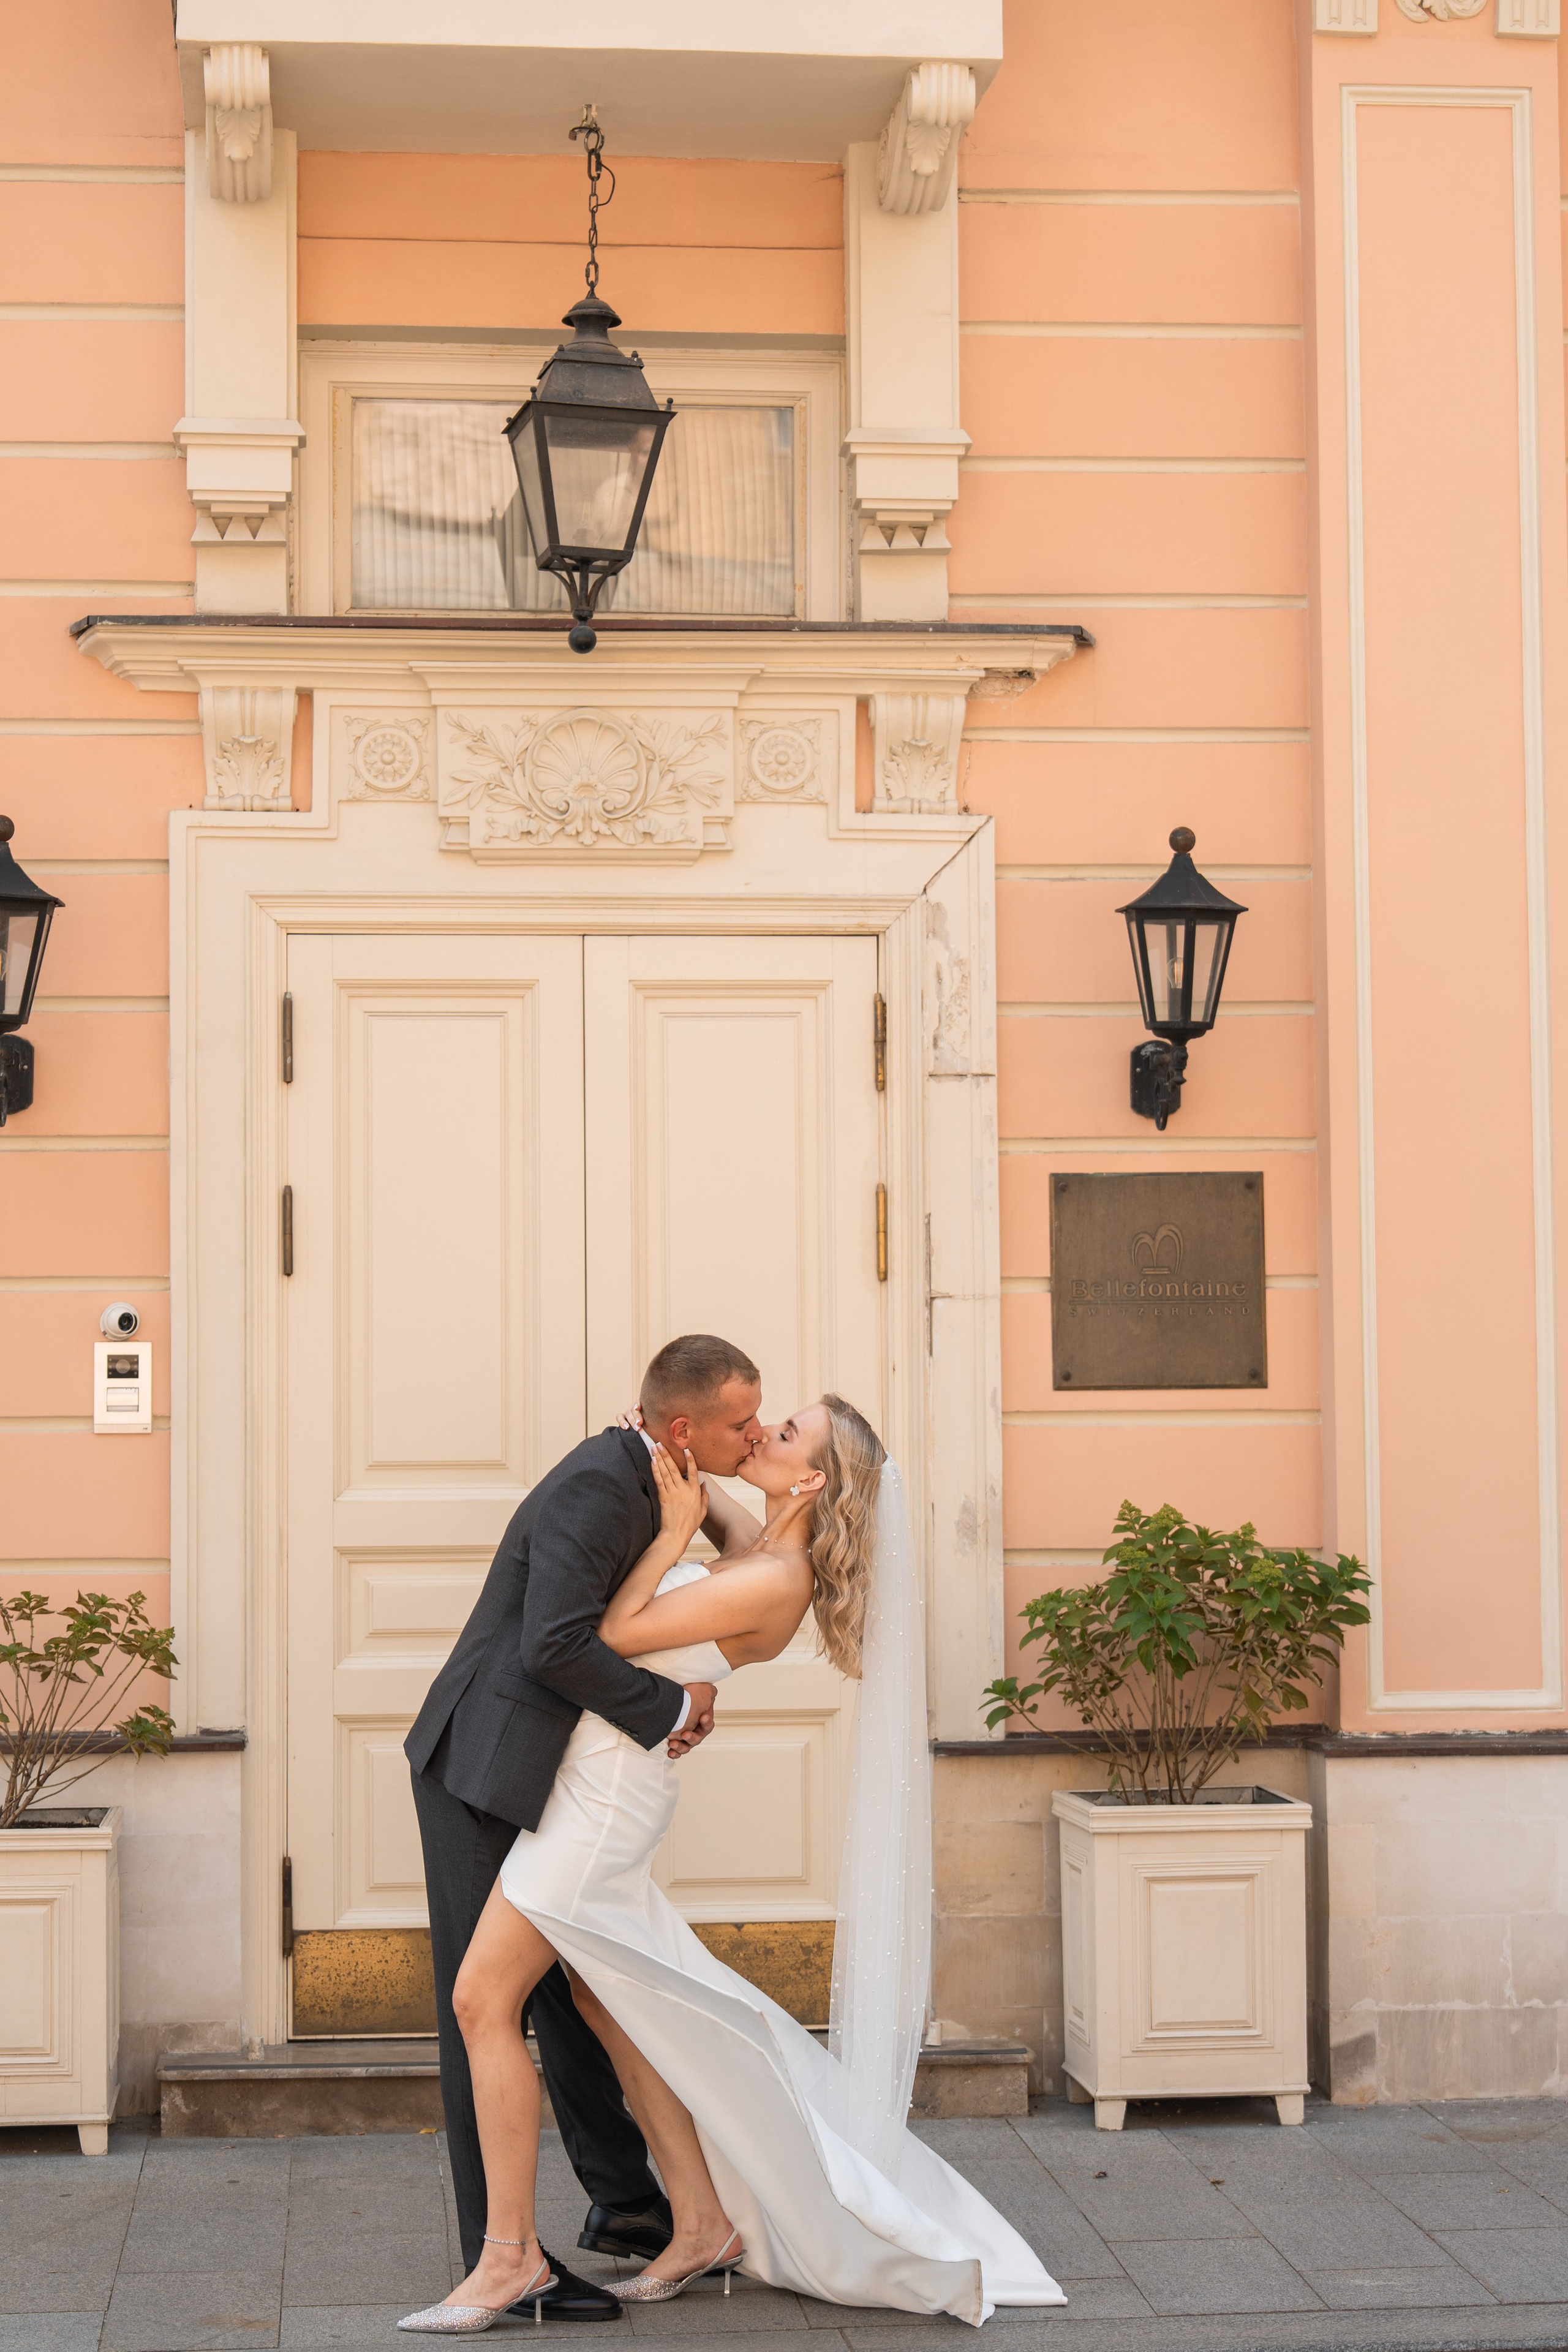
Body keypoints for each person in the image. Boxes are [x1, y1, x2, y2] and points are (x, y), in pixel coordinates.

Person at [399, 1385, 1065, 2333]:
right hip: (596, 1792)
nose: (762, 1434)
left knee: (480, 2001)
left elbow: (615, 1635)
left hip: (600, 1813)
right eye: (761, 1420)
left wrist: (669, 1539)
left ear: (814, 1480)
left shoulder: (773, 1576)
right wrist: (666, 1451)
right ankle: (702, 2221)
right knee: (614, 2004)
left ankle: (506, 2258)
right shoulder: (762, 1548)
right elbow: (698, 1478)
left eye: (785, 1433)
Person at [404, 1333, 766, 2324]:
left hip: (553, 1774)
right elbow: (555, 1641)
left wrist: (699, 1480)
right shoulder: (605, 1485)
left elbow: (745, 1559)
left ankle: (631, 2204)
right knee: (483, 2007)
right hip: (487, 1768)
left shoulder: (657, 1476)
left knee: (576, 1992)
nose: (759, 1432)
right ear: (684, 1423)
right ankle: (508, 2254)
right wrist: (672, 1707)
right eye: (742, 1421)